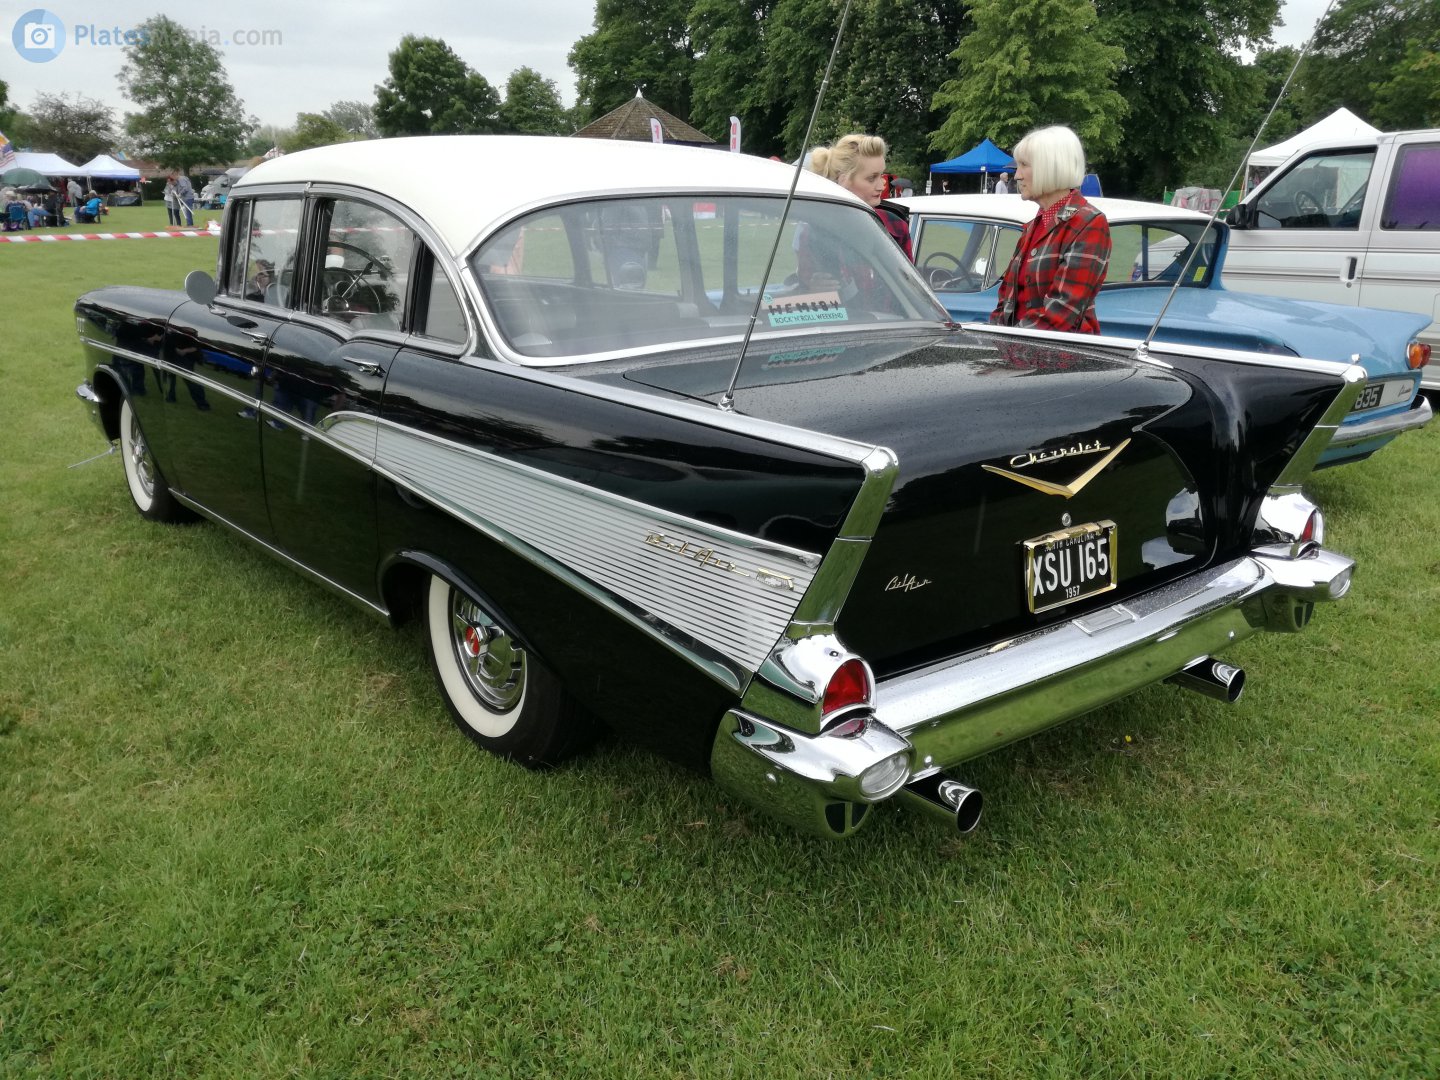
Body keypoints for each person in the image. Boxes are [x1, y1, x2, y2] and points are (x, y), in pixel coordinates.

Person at [990, 126, 1109, 334]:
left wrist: (1009, 345)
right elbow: (1005, 299)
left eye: (1024, 165)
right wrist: (993, 339)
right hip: (1018, 353)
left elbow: (1062, 310)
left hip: (1061, 359)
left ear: (1049, 167)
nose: (1016, 175)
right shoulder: (1033, 226)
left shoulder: (1089, 223)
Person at [806, 133, 912, 259]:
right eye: (871, 178)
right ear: (843, 180)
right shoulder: (816, 229)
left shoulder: (896, 226)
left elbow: (907, 278)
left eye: (881, 175)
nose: (881, 186)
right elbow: (806, 276)